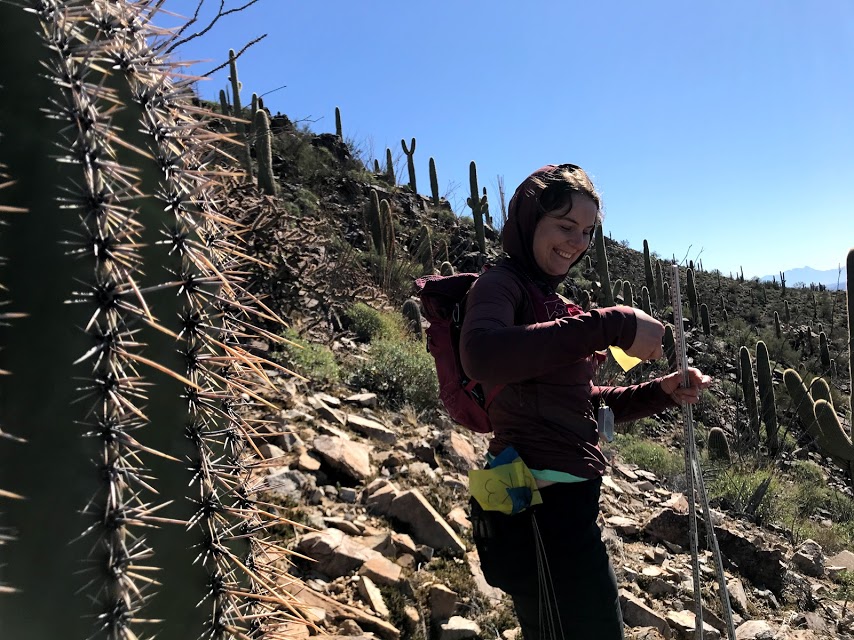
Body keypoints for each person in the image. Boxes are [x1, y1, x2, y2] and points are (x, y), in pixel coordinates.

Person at [460, 164, 710, 640]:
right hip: (539, 507)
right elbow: (481, 355)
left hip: (559, 505)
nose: (577, 242)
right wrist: (611, 323)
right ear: (529, 219)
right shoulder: (500, 284)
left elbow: (583, 400)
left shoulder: (543, 298)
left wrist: (661, 391)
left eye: (588, 231)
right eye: (565, 226)